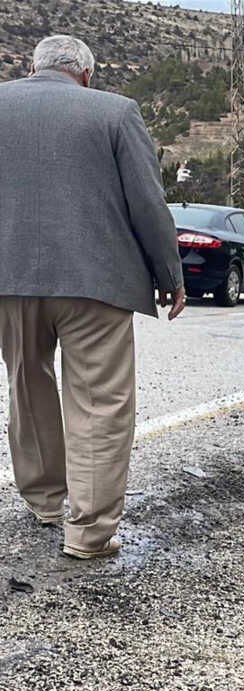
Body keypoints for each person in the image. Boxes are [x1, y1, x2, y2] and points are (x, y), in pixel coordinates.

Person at [0, 35, 186, 560]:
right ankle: (88, 534)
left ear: (31, 67)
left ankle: (41, 501)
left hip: (7, 277)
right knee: (100, 402)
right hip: (95, 281)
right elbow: (147, 202)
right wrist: (169, 272)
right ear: (85, 74)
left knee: (26, 382)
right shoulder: (116, 111)